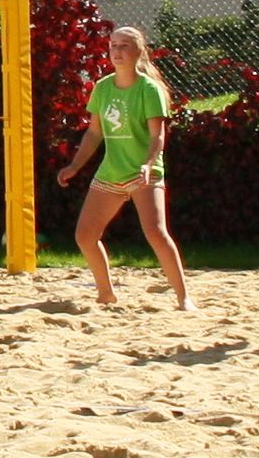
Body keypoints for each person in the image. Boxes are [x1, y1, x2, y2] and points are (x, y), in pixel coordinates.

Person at [55, 26, 193, 310]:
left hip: (144, 173)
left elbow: (158, 136)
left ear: (139, 51)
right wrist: (75, 165)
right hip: (111, 173)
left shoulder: (148, 89)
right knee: (85, 235)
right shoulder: (103, 87)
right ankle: (106, 293)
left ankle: (183, 297)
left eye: (124, 46)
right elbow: (94, 134)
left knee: (156, 232)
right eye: (113, 46)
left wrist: (147, 164)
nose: (117, 51)